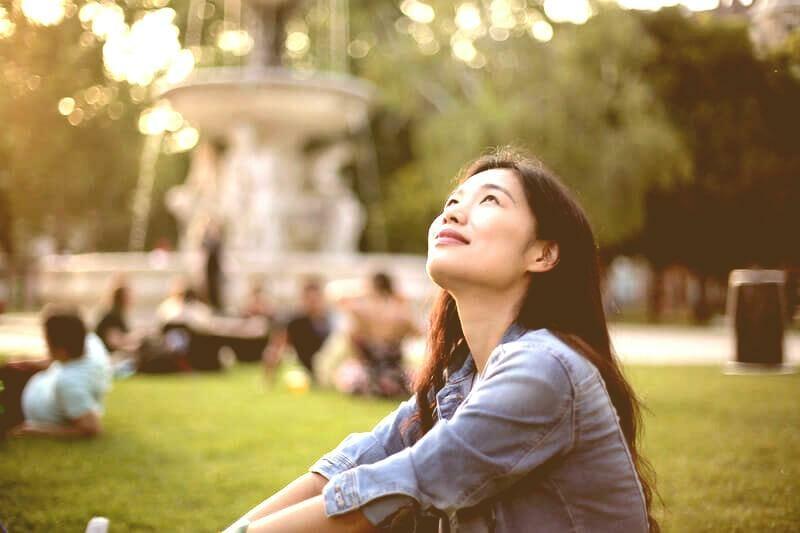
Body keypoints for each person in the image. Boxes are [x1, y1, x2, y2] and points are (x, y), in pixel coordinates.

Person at [223, 148, 657, 533]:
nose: (451, 213)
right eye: (452, 202)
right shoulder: (458, 383)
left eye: (489, 200)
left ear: (542, 253)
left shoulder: (544, 369)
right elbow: (357, 460)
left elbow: (403, 483)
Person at [1, 305, 111, 438]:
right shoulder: (90, 343)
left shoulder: (70, 384)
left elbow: (91, 428)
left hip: (21, 408)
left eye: (47, 343)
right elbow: (56, 359)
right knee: (8, 369)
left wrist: (35, 429)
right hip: (36, 383)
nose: (45, 345)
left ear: (62, 350)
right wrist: (29, 363)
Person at [332, 272, 419, 397]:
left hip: (369, 369)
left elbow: (336, 298)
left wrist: (360, 292)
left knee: (347, 371)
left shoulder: (362, 308)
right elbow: (417, 333)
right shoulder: (400, 311)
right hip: (393, 370)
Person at [263, 279, 331, 380]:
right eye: (309, 299)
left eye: (315, 299)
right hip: (309, 369)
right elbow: (276, 348)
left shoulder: (331, 320)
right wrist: (268, 378)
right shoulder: (294, 323)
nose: (313, 303)